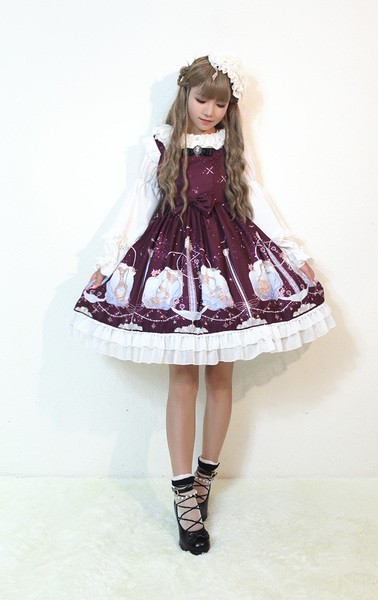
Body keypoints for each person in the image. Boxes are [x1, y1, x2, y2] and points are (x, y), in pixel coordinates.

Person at [71, 54, 335, 555]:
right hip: (174, 261)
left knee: (220, 376)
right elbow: (138, 204)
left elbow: (256, 197)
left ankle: (205, 478)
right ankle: (182, 495)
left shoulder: (230, 146)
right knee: (183, 377)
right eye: (201, 100)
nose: (210, 111)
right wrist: (108, 260)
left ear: (230, 106)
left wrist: (295, 255)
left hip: (227, 262)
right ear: (185, 96)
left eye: (220, 103)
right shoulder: (162, 143)